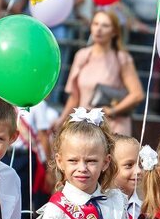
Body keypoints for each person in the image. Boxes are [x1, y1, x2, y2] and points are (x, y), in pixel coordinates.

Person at [57, 10, 144, 138]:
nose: (99, 29)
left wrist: (113, 110)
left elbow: (137, 95)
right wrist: (61, 121)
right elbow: (74, 97)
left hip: (112, 126)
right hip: (85, 126)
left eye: (105, 25)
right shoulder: (82, 55)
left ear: (114, 32)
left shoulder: (121, 58)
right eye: (95, 24)